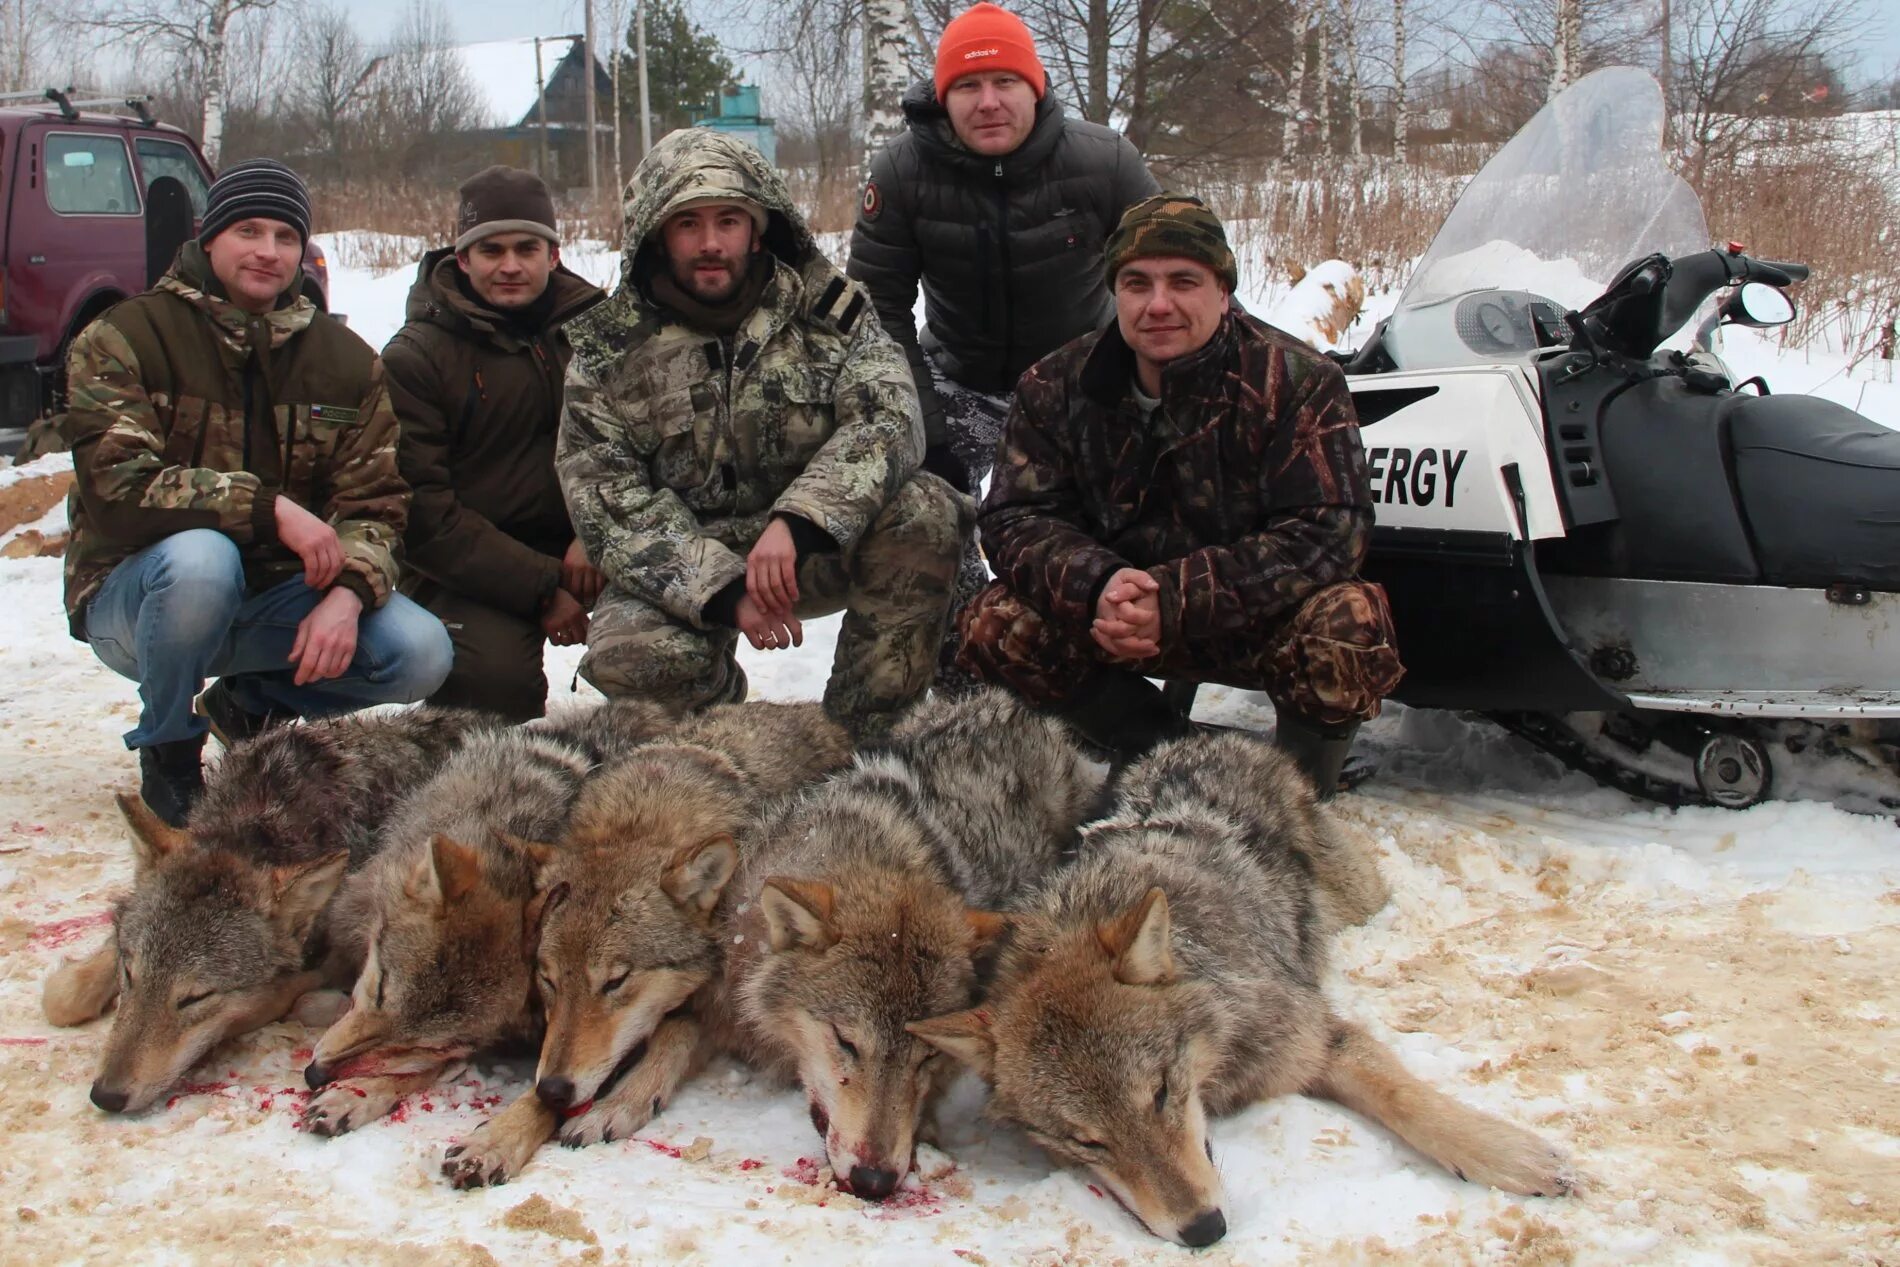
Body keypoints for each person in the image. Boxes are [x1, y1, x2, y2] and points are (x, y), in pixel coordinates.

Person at [955, 194, 1405, 796]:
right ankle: (1156, 748)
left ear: (1223, 291)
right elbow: (1015, 517)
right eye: (1137, 283)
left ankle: (1296, 791)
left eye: (1183, 281)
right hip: (1113, 621)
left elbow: (1331, 530)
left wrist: (1174, 599)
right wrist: (1098, 586)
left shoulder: (1298, 380)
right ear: (1116, 293)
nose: (1158, 304)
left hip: (1250, 620)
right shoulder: (1055, 383)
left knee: (1348, 622)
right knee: (995, 623)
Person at [61, 159, 452, 826]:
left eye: (285, 236)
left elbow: (380, 505)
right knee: (201, 558)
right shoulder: (124, 337)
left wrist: (349, 594)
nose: (267, 252)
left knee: (421, 650)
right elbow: (116, 490)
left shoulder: (346, 361)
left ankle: (248, 705)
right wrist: (266, 507)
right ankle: (170, 752)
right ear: (209, 238)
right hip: (142, 603)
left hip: (274, 603)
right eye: (248, 230)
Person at [558, 128, 967, 739]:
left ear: (758, 229)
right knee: (629, 655)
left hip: (815, 546)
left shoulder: (829, 315)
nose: (711, 244)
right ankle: (723, 736)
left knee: (927, 511)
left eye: (729, 220)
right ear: (655, 234)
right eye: (687, 224)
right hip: (686, 556)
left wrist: (800, 521)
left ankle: (863, 738)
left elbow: (889, 419)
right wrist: (722, 591)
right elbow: (608, 504)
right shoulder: (608, 355)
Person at [383, 166, 607, 722]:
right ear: (462, 259)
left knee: (668, 644)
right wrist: (544, 586)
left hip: (593, 548)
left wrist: (594, 534)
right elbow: (424, 516)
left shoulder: (603, 333)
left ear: (554, 254)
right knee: (491, 685)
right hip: (468, 567)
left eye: (527, 248)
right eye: (490, 250)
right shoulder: (415, 358)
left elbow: (646, 452)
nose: (510, 266)